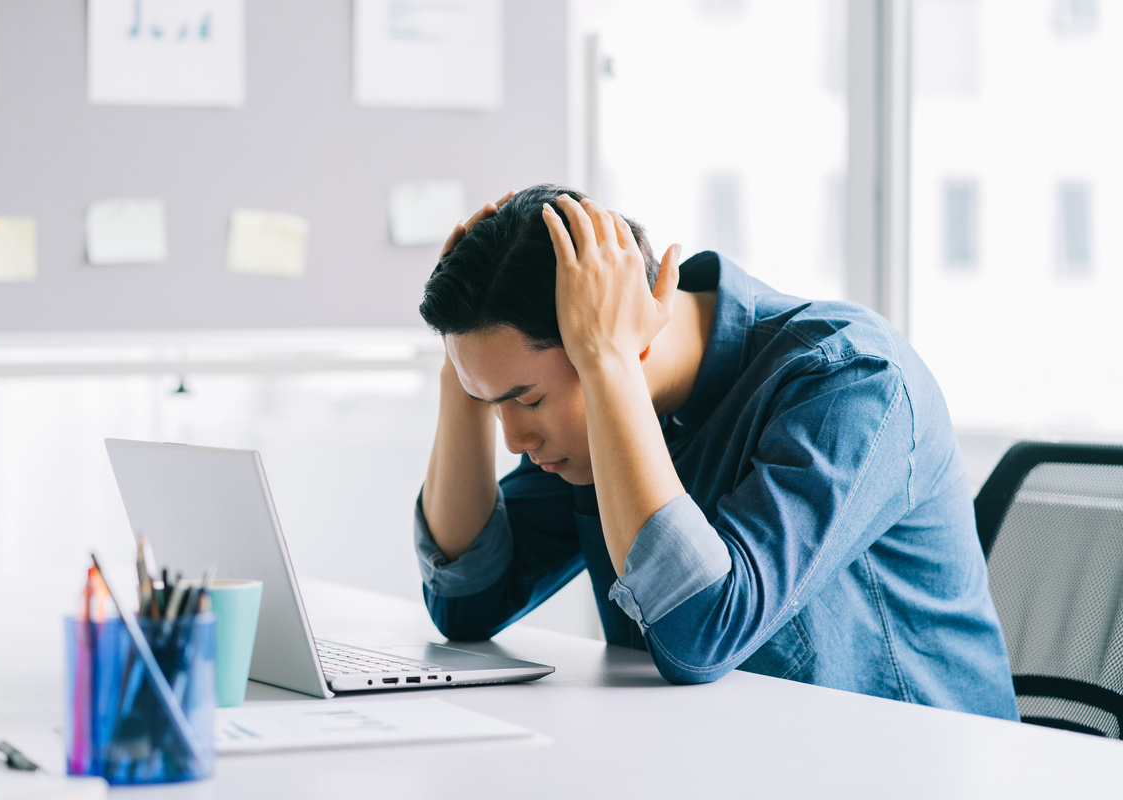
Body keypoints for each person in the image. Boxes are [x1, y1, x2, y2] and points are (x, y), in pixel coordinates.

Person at [413, 183, 1019, 720]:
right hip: (725, 763)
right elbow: (467, 602)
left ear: (628, 339)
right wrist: (463, 377)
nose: (514, 440)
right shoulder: (586, 431)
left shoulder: (852, 383)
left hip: (913, 771)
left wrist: (609, 363)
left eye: (529, 400)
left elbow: (700, 630)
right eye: (494, 404)